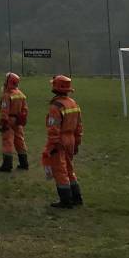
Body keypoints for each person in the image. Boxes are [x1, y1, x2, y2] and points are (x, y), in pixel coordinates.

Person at [41, 74, 83, 209]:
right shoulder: (74, 103)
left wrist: (52, 144)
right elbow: (79, 126)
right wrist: (77, 143)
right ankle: (76, 197)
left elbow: (54, 128)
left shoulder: (56, 106)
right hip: (71, 138)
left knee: (60, 170)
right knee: (70, 168)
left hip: (60, 139)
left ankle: (65, 200)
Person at [0, 72, 29, 172]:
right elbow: (25, 109)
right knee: (20, 141)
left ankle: (7, 164)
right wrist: (22, 118)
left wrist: (3, 121)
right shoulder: (21, 94)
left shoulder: (7, 95)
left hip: (9, 119)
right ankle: (24, 163)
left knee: (7, 141)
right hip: (18, 120)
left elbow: (5, 110)